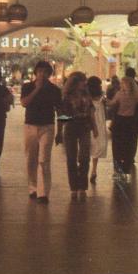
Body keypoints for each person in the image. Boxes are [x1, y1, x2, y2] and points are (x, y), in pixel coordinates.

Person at [20, 61, 62, 204]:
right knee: (31, 159)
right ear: (36, 72)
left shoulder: (55, 90)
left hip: (47, 127)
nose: (42, 74)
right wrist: (36, 89)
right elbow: (24, 103)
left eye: (45, 72)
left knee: (44, 159)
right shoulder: (27, 87)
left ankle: (43, 193)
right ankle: (33, 188)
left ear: (49, 74)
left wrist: (61, 130)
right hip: (30, 126)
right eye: (40, 71)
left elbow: (60, 111)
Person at [57, 72, 97, 201]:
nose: (85, 83)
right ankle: (74, 187)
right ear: (75, 82)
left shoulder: (86, 94)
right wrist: (59, 131)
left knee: (84, 157)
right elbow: (62, 115)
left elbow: (91, 111)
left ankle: (82, 187)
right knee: (71, 158)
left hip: (85, 127)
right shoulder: (66, 97)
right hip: (71, 127)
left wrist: (95, 127)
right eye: (82, 80)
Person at [109, 73, 138, 178]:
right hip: (130, 122)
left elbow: (112, 104)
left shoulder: (119, 94)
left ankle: (117, 169)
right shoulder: (136, 96)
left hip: (119, 121)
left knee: (117, 146)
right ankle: (126, 168)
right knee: (128, 145)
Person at [87, 76, 108, 184]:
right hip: (99, 122)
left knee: (88, 146)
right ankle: (94, 170)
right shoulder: (101, 96)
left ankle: (88, 169)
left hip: (89, 123)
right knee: (97, 145)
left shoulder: (87, 96)